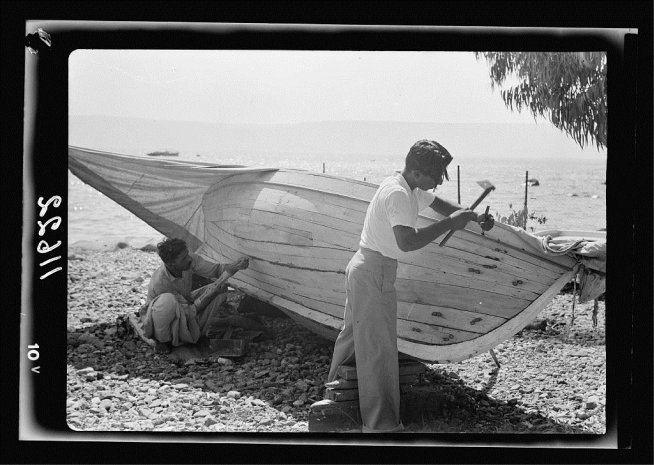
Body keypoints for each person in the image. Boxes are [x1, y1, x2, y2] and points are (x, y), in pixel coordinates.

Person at [327, 139, 494, 433]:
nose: (439, 182)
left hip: (364, 267)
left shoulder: (408, 188)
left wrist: (474, 217)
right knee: (379, 351)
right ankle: (382, 427)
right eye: (436, 176)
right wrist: (450, 224)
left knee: (353, 339)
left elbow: (445, 207)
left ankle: (333, 404)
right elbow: (406, 242)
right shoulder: (397, 195)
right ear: (417, 174)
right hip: (375, 271)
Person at [136, 237, 250, 354]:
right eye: (184, 258)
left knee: (221, 290)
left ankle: (195, 332)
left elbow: (216, 270)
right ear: (171, 264)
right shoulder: (160, 283)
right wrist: (211, 293)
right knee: (167, 301)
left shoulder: (188, 260)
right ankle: (163, 341)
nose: (190, 258)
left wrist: (236, 266)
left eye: (187, 254)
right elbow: (191, 311)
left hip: (184, 305)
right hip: (161, 321)